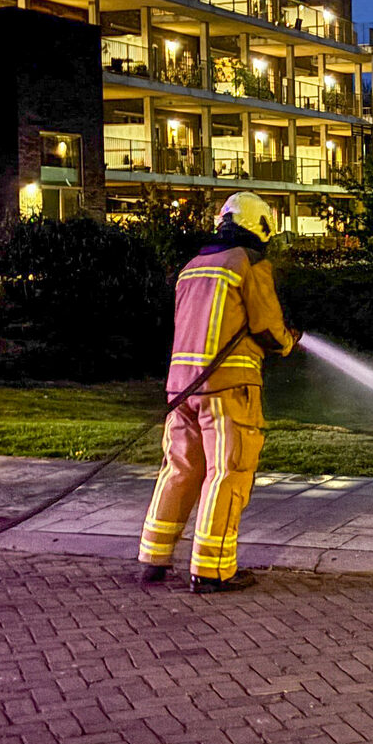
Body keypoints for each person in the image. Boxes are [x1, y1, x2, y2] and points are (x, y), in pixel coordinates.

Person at [137, 192, 297, 593]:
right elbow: (267, 326)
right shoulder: (249, 262)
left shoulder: (192, 267)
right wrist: (289, 341)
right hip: (228, 389)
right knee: (228, 473)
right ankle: (211, 570)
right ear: (259, 227)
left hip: (181, 389)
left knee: (180, 469)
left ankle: (153, 557)